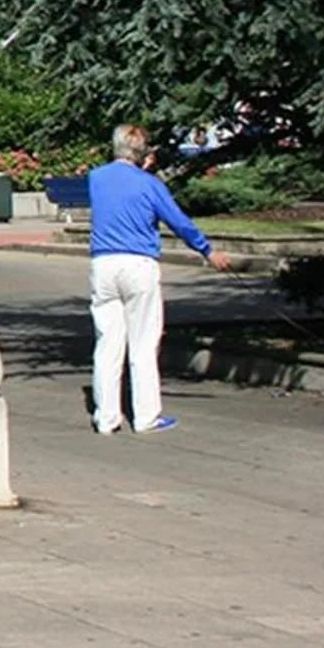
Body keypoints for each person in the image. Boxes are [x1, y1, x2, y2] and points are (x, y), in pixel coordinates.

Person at [86, 124, 234, 434]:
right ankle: (146, 416)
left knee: (108, 343)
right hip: (138, 263)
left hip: (103, 263)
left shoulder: (97, 178)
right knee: (143, 342)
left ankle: (106, 417)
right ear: (144, 154)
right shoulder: (150, 184)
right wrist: (207, 250)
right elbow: (178, 221)